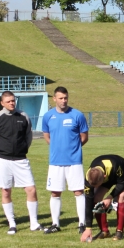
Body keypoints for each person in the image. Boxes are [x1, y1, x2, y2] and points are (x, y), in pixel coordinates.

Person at [0, 91, 42, 234]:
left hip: (21, 159)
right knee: (6, 191)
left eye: (13, 100)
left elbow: (28, 136)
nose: (12, 103)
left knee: (31, 189)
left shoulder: (23, 116)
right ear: (2, 103)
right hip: (2, 160)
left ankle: (34, 223)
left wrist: (22, 149)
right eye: (8, 101)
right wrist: (1, 150)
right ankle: (12, 223)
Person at [42, 86, 89, 234]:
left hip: (74, 161)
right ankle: (55, 224)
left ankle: (82, 223)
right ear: (54, 99)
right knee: (55, 193)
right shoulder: (48, 116)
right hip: (55, 162)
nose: (64, 101)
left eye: (65, 98)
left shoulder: (77, 115)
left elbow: (84, 137)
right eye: (61, 98)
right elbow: (47, 136)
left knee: (78, 192)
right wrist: (57, 148)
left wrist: (73, 148)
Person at [79, 154, 124, 242]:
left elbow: (122, 183)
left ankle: (119, 231)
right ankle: (104, 231)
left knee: (121, 196)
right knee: (96, 198)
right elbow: (88, 203)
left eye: (98, 185)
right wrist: (88, 228)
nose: (95, 188)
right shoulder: (88, 179)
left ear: (104, 177)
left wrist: (109, 197)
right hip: (107, 176)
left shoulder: (114, 166)